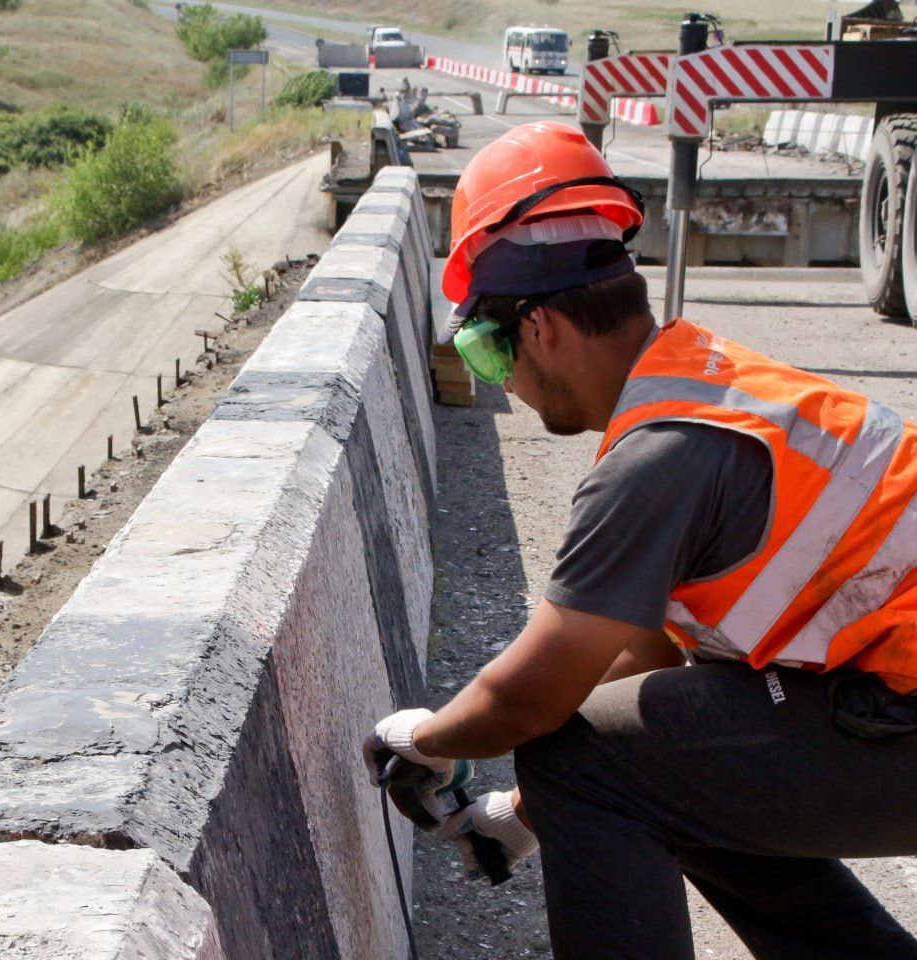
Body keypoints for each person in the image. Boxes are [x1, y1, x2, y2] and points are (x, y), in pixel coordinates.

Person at [363, 121, 917, 960]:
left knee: (588, 760)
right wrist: (519, 820)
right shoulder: (704, 380)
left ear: (541, 326)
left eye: (484, 346)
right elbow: (643, 670)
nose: (499, 381)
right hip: (896, 695)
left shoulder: (656, 461)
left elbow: (533, 698)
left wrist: (424, 740)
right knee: (655, 761)